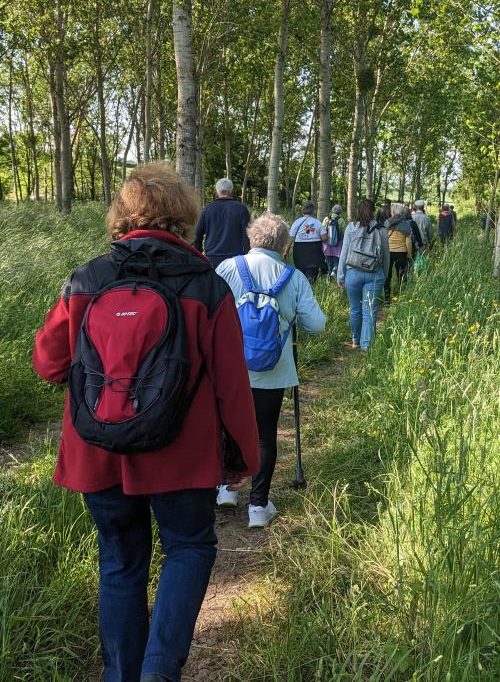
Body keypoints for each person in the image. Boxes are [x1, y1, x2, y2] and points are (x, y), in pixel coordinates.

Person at [32, 162, 260, 682]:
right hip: (181, 455)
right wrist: (242, 457)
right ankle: (160, 670)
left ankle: (122, 675)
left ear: (121, 216)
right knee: (190, 547)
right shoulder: (206, 285)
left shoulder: (86, 278)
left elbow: (47, 363)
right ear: (182, 217)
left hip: (98, 451)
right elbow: (232, 385)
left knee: (119, 562)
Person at [216, 213, 326, 527]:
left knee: (229, 427)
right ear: (284, 245)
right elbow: (317, 324)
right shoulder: (293, 278)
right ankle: (258, 507)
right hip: (274, 371)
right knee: (265, 435)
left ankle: (225, 488)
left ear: (251, 238)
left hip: (232, 368)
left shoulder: (228, 268)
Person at [337, 199, 389, 351]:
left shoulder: (351, 228)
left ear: (357, 211)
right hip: (374, 274)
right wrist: (384, 276)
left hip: (353, 272)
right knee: (370, 310)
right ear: (373, 211)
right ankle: (367, 345)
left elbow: (344, 253)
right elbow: (386, 255)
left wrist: (341, 275)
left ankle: (355, 340)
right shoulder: (381, 229)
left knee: (355, 309)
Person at [194, 177, 250, 268]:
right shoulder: (241, 209)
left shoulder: (207, 210)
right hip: (235, 261)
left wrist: (199, 256)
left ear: (216, 192)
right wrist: (247, 258)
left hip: (212, 260)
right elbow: (247, 238)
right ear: (232, 191)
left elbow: (197, 236)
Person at [284, 201, 327, 283]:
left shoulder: (297, 222)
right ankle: (312, 290)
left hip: (299, 250)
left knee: (301, 274)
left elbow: (291, 238)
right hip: (314, 250)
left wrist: (286, 251)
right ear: (313, 210)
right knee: (312, 275)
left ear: (302, 210)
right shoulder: (317, 223)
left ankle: (301, 291)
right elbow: (324, 238)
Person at [384, 202, 413, 305]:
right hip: (401, 253)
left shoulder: (387, 223)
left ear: (392, 212)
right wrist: (409, 255)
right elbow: (408, 242)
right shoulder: (406, 225)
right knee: (401, 275)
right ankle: (402, 297)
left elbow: (383, 239)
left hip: (388, 253)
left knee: (387, 276)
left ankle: (387, 299)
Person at [322, 204, 346, 277]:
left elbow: (322, 230)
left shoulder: (326, 219)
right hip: (337, 245)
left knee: (329, 262)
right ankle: (334, 273)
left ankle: (328, 275)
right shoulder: (341, 220)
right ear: (340, 212)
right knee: (336, 262)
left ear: (332, 210)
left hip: (327, 244)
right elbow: (344, 232)